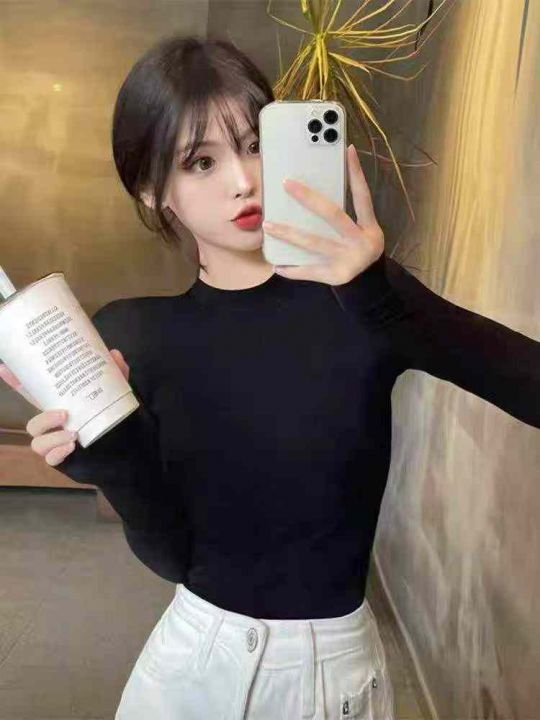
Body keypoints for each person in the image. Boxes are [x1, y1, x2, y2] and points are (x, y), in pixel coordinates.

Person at [2, 33, 539, 720]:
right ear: (153, 190)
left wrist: (383, 301)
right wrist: (115, 461)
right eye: (201, 161)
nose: (243, 181)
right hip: (189, 671)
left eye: (255, 144)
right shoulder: (135, 333)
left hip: (331, 683)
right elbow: (178, 559)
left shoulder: (362, 301)